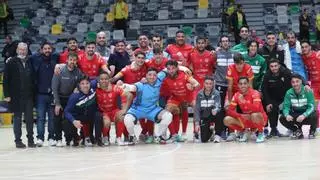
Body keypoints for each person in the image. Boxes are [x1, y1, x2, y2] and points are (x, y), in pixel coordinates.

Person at [122, 68, 173, 145]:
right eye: (149, 75)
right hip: (137, 109)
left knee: (168, 116)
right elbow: (132, 87)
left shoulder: (159, 78)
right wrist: (124, 85)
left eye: (154, 75)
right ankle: (132, 137)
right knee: (127, 119)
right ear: (146, 76)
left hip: (152, 109)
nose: (152, 77)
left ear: (157, 76)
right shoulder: (141, 84)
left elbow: (169, 68)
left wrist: (184, 68)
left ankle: (158, 136)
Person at [3, 42, 36, 148]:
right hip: (15, 96)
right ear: (17, 50)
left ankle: (31, 140)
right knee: (17, 119)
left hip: (29, 96)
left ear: (27, 51)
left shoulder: (30, 61)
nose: (22, 51)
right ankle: (18, 141)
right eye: (20, 49)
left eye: (24, 50)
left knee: (30, 119)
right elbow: (5, 80)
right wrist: (7, 94)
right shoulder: (11, 62)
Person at [161, 60, 200, 142]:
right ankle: (173, 134)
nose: (171, 71)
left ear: (177, 68)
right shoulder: (165, 78)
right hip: (176, 98)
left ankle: (194, 133)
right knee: (167, 111)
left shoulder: (185, 75)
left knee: (196, 107)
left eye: (173, 68)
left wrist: (192, 87)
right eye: (169, 69)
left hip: (188, 96)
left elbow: (197, 84)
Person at [29, 42, 59, 147]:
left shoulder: (55, 60)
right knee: (40, 118)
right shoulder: (36, 60)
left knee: (52, 118)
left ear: (52, 50)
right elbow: (25, 57)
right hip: (40, 95)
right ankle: (40, 138)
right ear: (41, 50)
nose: (47, 50)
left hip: (52, 95)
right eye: (45, 49)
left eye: (49, 48)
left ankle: (51, 137)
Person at [51, 53, 83, 147]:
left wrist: (77, 87)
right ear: (67, 60)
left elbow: (81, 83)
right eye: (70, 60)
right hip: (59, 98)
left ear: (76, 61)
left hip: (71, 99)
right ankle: (58, 139)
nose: (72, 62)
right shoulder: (59, 70)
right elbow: (54, 88)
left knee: (69, 120)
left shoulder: (78, 72)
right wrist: (57, 103)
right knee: (57, 118)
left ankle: (70, 139)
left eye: (74, 60)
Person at [224, 77, 268, 143]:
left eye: (245, 83)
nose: (243, 86)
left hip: (260, 118)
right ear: (238, 85)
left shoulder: (255, 93)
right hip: (247, 118)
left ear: (248, 84)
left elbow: (256, 109)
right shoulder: (236, 95)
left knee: (254, 115)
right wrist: (240, 116)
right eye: (241, 84)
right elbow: (230, 111)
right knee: (226, 120)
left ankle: (261, 133)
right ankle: (245, 131)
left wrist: (244, 101)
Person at [95, 72, 133, 146]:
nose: (104, 81)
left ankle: (118, 138)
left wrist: (124, 110)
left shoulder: (115, 88)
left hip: (114, 111)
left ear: (109, 80)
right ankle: (105, 137)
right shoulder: (96, 89)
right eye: (102, 79)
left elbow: (129, 95)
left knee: (122, 116)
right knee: (106, 122)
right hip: (103, 112)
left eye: (106, 79)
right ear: (99, 80)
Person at [64, 75, 98, 147]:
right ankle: (74, 138)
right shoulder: (74, 96)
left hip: (89, 116)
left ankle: (93, 137)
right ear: (79, 85)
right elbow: (66, 112)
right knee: (66, 122)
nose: (85, 86)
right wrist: (73, 121)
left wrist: (119, 83)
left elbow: (98, 78)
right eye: (82, 84)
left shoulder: (93, 87)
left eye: (87, 83)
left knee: (98, 115)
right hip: (77, 117)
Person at [262, 59, 292, 137]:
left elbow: (297, 77)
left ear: (279, 65)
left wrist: (306, 84)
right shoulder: (267, 75)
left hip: (286, 98)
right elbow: (264, 90)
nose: (274, 68)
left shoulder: (286, 72)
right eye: (271, 66)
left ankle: (292, 128)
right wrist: (268, 102)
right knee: (271, 107)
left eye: (275, 66)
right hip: (273, 98)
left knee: (291, 108)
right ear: (269, 67)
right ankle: (273, 129)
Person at [280, 74, 317, 139]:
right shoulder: (289, 92)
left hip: (306, 114)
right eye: (293, 82)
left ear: (301, 82)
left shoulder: (307, 90)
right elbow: (286, 107)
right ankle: (297, 130)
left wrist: (304, 115)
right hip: (296, 114)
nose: (295, 84)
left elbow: (312, 106)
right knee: (282, 118)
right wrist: (287, 115)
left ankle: (312, 131)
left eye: (297, 81)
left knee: (315, 114)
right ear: (291, 83)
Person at [194, 76, 222, 143]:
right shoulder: (199, 94)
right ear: (204, 84)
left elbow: (217, 104)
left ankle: (217, 135)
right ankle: (211, 131)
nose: (208, 85)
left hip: (213, 114)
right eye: (207, 83)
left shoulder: (216, 93)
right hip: (204, 116)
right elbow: (197, 109)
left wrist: (215, 109)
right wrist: (197, 123)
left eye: (210, 84)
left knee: (220, 113)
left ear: (213, 84)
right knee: (204, 139)